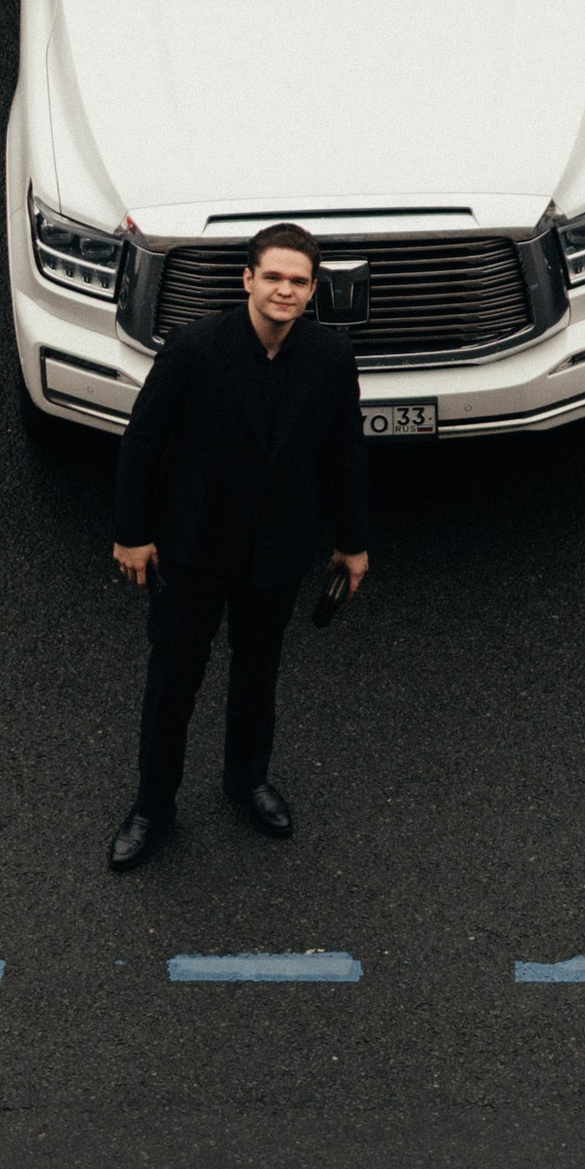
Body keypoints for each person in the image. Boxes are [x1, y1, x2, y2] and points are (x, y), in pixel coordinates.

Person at [105, 221, 371, 874]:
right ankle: (152, 805)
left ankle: (246, 781)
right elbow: (143, 443)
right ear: (248, 279)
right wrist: (132, 534)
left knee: (258, 674)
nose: (285, 290)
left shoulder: (331, 358)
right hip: (192, 548)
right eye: (273, 276)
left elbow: (344, 455)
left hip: (276, 552)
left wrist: (352, 543)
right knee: (174, 681)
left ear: (313, 291)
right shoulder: (195, 349)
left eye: (298, 281)